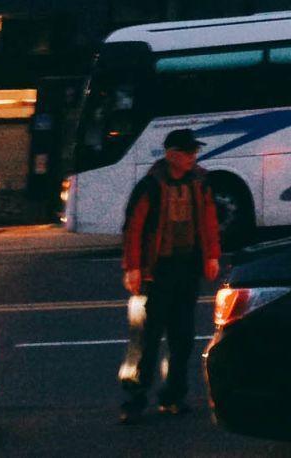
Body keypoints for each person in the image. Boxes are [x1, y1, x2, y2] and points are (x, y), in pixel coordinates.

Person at [118, 127, 221, 423]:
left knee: (182, 336)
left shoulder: (199, 182)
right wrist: (133, 268)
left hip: (187, 268)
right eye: (188, 152)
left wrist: (212, 255)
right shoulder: (151, 185)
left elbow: (209, 221)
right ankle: (136, 400)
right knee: (148, 338)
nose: (193, 156)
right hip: (159, 271)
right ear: (171, 155)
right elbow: (133, 228)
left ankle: (173, 396)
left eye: (194, 152)